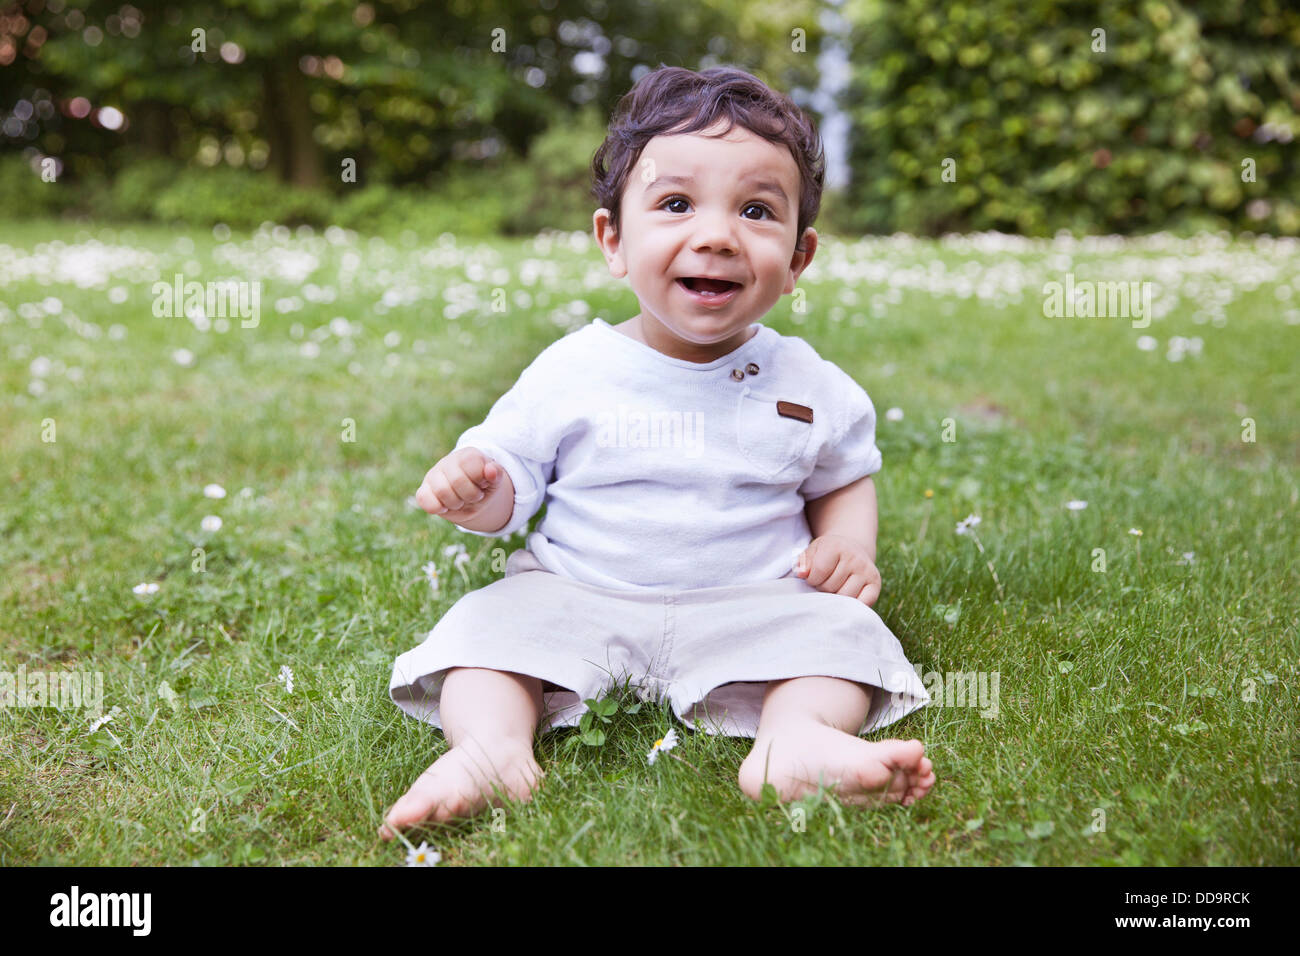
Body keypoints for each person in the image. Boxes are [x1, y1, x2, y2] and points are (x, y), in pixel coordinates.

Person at [380, 65, 934, 840]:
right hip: (579, 593)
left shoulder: (810, 382)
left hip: (755, 603)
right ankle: (492, 746)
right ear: (614, 239)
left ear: (799, 258)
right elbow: (510, 473)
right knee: (486, 636)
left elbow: (843, 476)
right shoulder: (572, 369)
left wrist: (846, 542)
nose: (715, 234)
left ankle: (795, 739)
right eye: (676, 205)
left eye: (755, 210)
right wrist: (481, 490)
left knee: (843, 636)